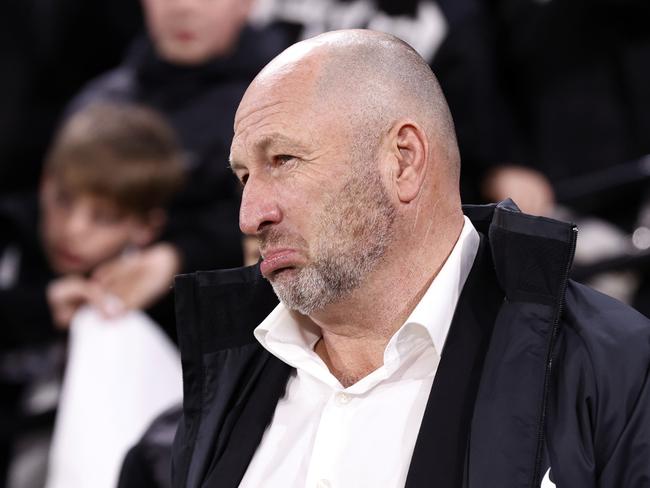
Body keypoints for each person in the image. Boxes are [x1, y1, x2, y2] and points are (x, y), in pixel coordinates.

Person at [171, 30, 650, 487]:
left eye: (283, 161)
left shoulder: (616, 371)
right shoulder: (224, 383)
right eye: (243, 177)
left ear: (403, 160)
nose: (251, 216)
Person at [63, 0, 291, 321]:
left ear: (248, 3)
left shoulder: (284, 106)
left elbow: (288, 221)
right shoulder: (98, 102)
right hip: (94, 320)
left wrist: (178, 259)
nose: (184, 7)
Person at [0, 101, 185, 487]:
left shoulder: (161, 300)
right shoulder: (12, 242)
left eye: (104, 217)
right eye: (63, 200)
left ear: (145, 228)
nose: (73, 228)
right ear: (44, 182)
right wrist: (38, 309)